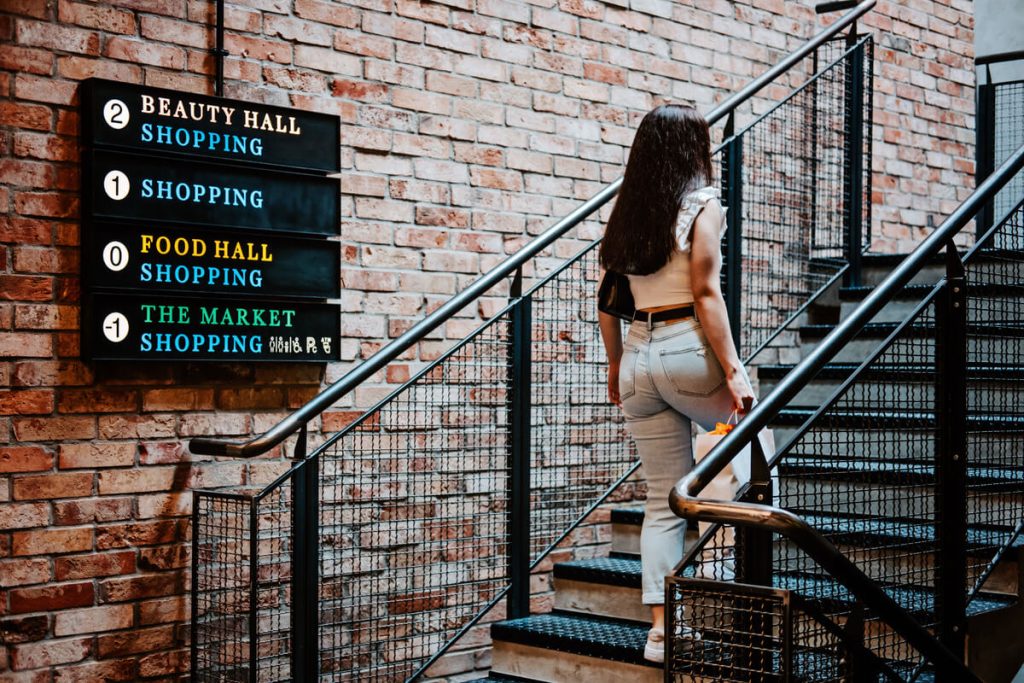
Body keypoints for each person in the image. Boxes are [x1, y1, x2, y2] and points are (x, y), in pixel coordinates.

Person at [597, 103, 756, 664]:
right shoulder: (702, 206)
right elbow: (707, 294)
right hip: (687, 351)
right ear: (694, 149)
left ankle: (663, 632)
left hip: (638, 360)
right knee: (752, 448)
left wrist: (616, 366)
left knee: (663, 502)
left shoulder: (627, 213)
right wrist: (735, 371)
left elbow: (607, 304)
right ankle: (730, 574)